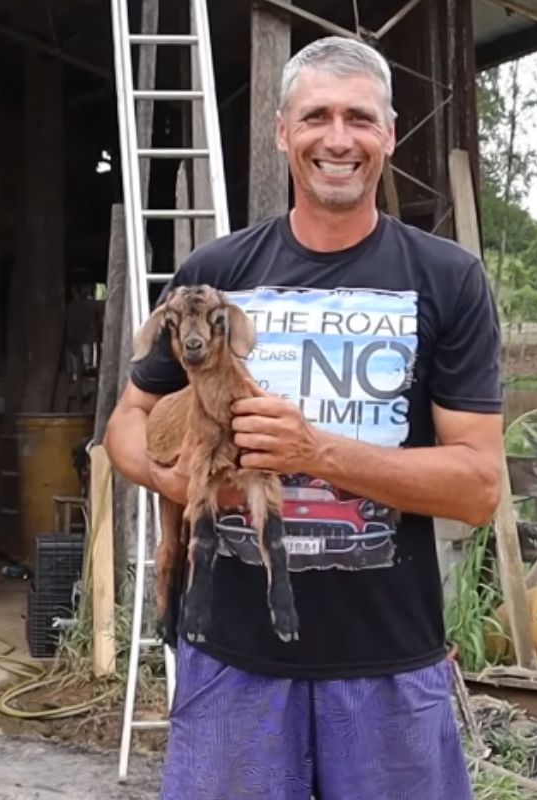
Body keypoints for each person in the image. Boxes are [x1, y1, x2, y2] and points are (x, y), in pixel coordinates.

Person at [104, 35, 504, 800]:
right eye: (316, 115)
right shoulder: (216, 276)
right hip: (230, 662)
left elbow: (478, 488)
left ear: (389, 133)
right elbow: (129, 415)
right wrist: (173, 474)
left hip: (389, 662)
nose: (338, 139)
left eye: (360, 117)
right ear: (283, 132)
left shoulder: (446, 279)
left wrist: (316, 450)